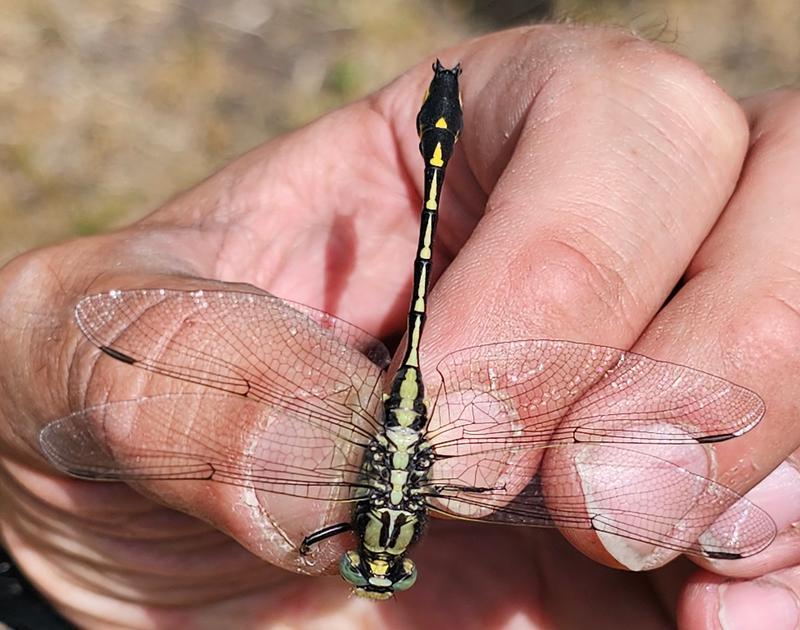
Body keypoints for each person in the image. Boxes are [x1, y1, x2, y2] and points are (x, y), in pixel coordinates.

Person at [1, 24, 799, 629]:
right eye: (388, 569)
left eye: (375, 566)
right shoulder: (403, 502)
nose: (381, 562)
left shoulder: (340, 515)